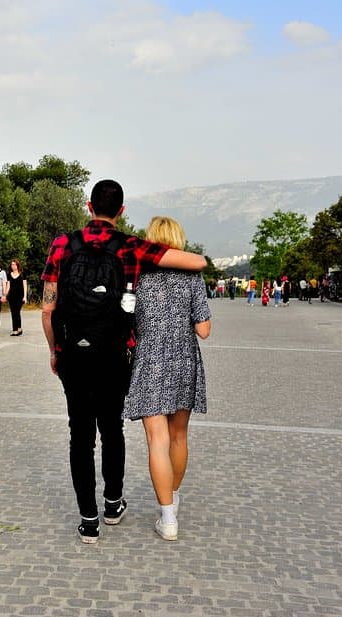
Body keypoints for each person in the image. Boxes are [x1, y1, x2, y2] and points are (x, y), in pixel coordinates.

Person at [41, 180, 207, 544]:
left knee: (80, 437)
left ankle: (89, 521)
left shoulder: (62, 244)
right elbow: (197, 261)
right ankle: (113, 504)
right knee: (111, 429)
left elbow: (47, 308)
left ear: (88, 206)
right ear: (121, 211)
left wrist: (55, 351)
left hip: (73, 354)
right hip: (114, 354)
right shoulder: (132, 246)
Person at [122, 217, 211, 542]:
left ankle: (168, 518)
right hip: (184, 359)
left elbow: (126, 318)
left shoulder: (137, 274)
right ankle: (173, 496)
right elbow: (204, 329)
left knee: (156, 441)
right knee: (178, 436)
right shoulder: (192, 276)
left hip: (148, 360)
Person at [7, 259, 28, 336]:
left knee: (17, 312)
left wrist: (25, 297)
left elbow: (25, 286)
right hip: (11, 296)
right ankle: (15, 330)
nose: (13, 266)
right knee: (13, 313)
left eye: (14, 264)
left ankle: (18, 328)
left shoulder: (22, 274)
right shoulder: (9, 275)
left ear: (17, 265)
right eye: (12, 265)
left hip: (20, 296)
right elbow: (8, 286)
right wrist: (5, 294)